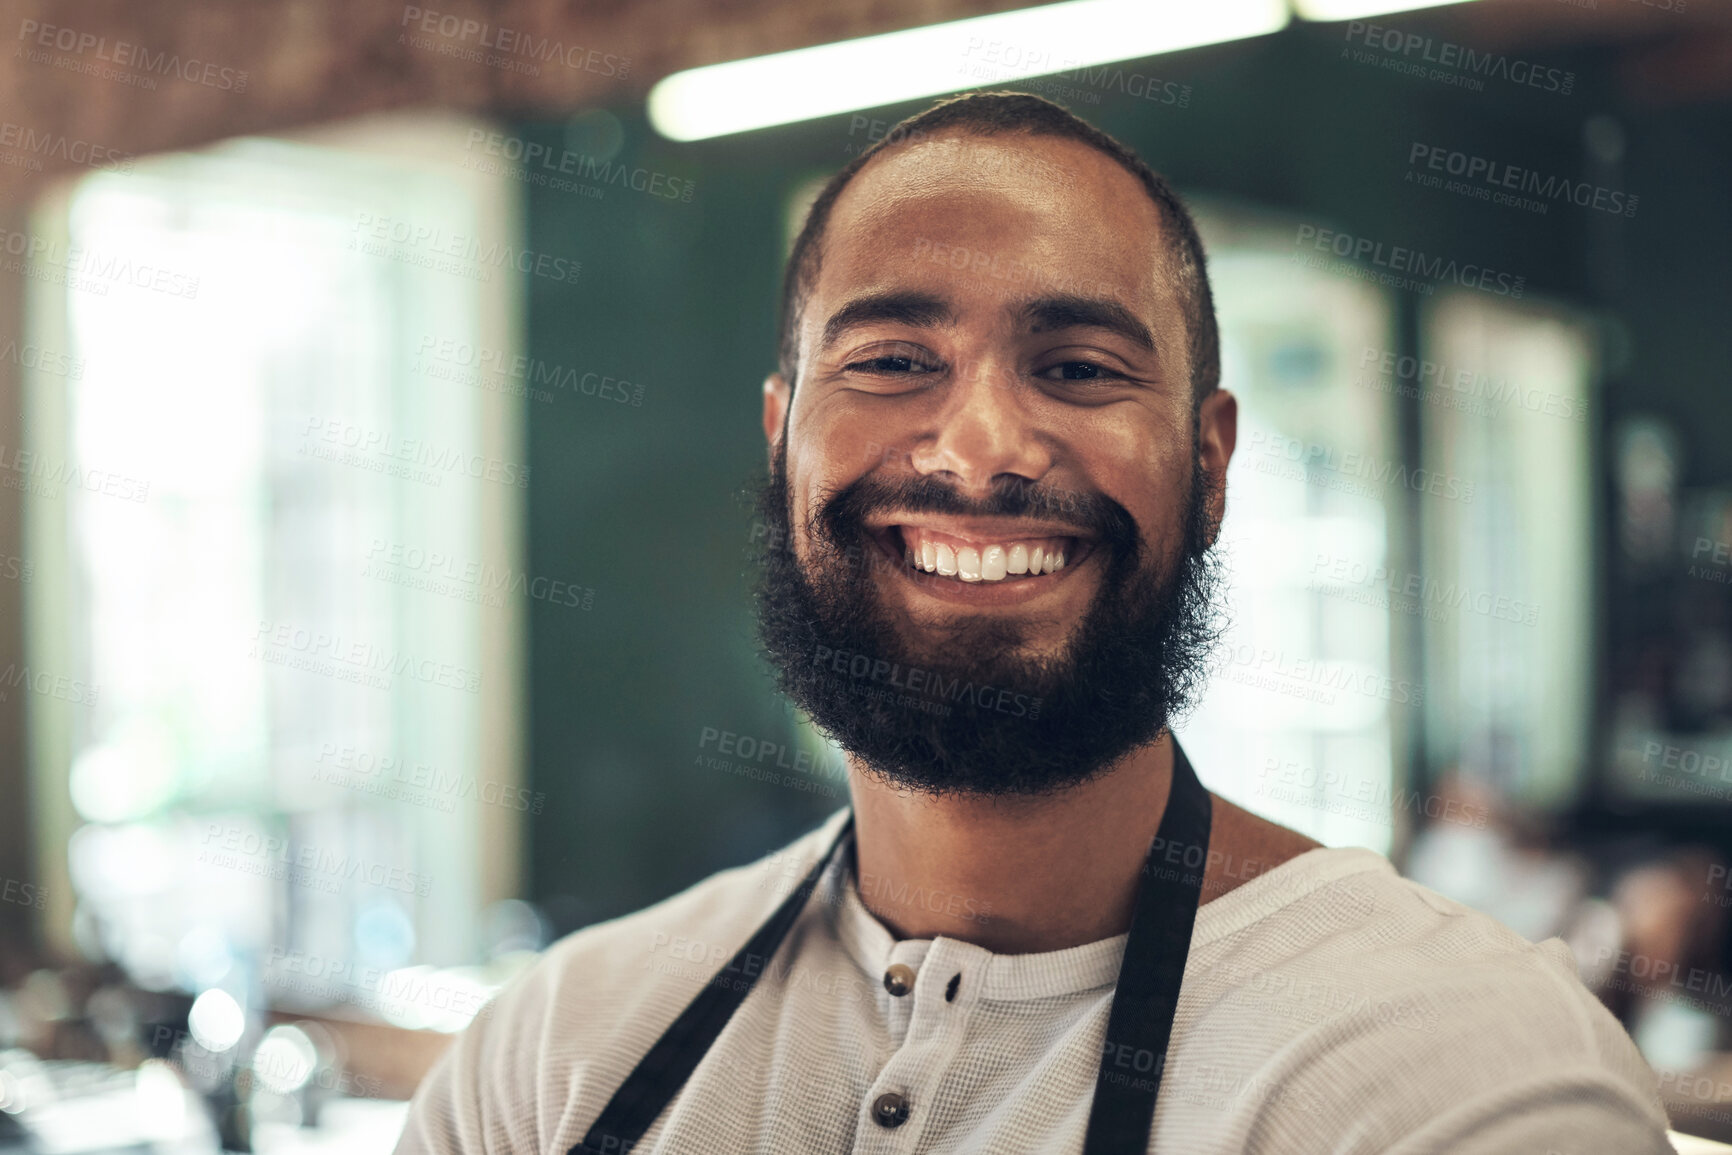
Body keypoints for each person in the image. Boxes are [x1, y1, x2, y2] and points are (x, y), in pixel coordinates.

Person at [397, 92, 1674, 1154]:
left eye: (1078, 368)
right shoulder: (552, 1058)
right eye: (894, 360)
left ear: (1210, 467)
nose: (981, 449)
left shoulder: (1454, 1079)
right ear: (784, 441)